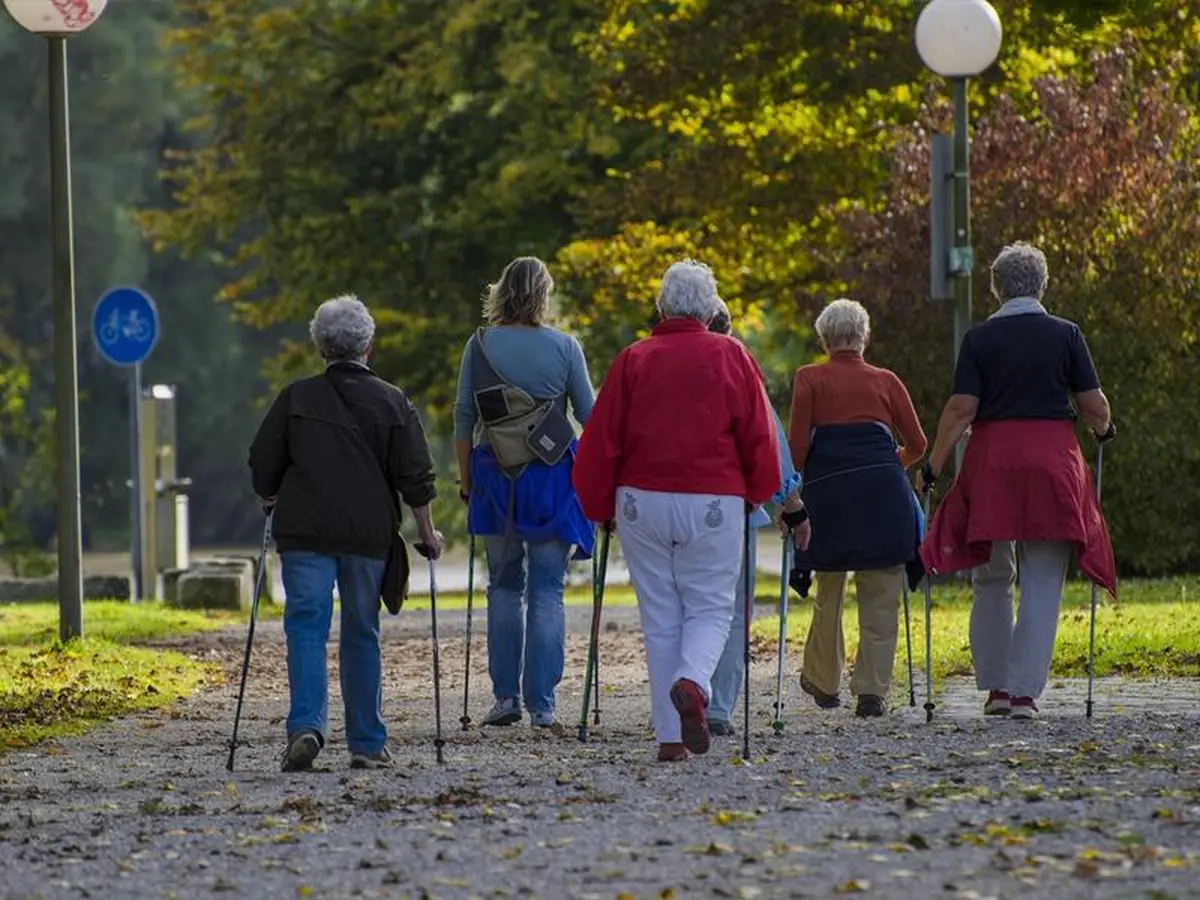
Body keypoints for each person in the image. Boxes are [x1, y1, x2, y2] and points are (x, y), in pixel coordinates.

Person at [573, 260, 793, 762]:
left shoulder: (633, 359)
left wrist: (597, 503)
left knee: (660, 614)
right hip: (713, 497)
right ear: (712, 308)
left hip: (640, 499)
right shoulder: (731, 355)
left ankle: (670, 738)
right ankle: (694, 683)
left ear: (661, 307)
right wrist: (760, 492)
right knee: (712, 605)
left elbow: (602, 439)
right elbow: (757, 434)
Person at [920, 242, 1116, 720]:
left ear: (996, 288)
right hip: (1052, 462)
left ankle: (997, 689)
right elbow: (1093, 405)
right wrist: (1104, 430)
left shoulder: (980, 339)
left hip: (993, 462)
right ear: (1042, 284)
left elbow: (962, 409)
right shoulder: (1066, 335)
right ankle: (1027, 693)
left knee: (991, 572)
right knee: (1044, 576)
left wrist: (934, 464)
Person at [249, 295, 445, 772]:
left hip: (305, 535)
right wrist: (428, 532)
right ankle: (367, 742)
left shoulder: (296, 398)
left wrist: (269, 495)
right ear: (368, 347)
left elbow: (262, 460)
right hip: (366, 536)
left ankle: (307, 727)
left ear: (320, 348)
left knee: (305, 627)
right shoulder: (394, 401)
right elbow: (415, 475)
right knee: (361, 631)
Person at [453, 256, 596, 729]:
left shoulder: (478, 346)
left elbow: (463, 419)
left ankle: (504, 698)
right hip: (552, 477)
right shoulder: (566, 347)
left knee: (503, 585)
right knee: (548, 590)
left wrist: (467, 481)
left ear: (501, 291)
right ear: (543, 294)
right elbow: (589, 418)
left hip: (495, 474)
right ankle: (543, 705)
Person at [788, 298, 927, 718]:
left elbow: (796, 451)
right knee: (882, 592)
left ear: (824, 339)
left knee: (829, 589)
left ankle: (824, 681)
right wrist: (887, 465)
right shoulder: (887, 380)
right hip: (884, 494)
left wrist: (794, 493)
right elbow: (919, 445)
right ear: (864, 337)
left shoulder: (808, 378)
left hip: (830, 496)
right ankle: (871, 692)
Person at [705, 302, 806, 737]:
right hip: (733, 508)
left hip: (668, 507)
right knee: (731, 609)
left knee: (684, 608)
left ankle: (683, 695)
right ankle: (719, 706)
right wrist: (792, 506)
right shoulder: (740, 369)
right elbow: (770, 441)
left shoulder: (656, 363)